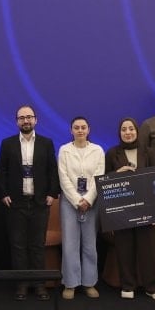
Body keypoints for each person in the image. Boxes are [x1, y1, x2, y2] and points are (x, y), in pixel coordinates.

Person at [0, 105, 59, 301]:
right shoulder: (7, 144)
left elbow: (52, 169)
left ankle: (39, 284)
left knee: (37, 245)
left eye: (29, 117)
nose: (26, 121)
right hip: (16, 203)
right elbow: (2, 171)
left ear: (35, 120)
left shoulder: (46, 143)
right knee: (18, 246)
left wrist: (52, 194)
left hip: (39, 202)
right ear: (17, 121)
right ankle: (22, 284)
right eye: (22, 118)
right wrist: (3, 194)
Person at [104, 118, 155, 300]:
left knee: (150, 250)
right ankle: (128, 285)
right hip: (122, 211)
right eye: (124, 129)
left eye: (131, 128)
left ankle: (153, 286)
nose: (128, 132)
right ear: (119, 133)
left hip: (147, 210)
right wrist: (117, 174)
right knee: (124, 248)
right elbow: (104, 181)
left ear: (137, 131)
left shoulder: (149, 152)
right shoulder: (112, 153)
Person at [57, 116, 105, 299]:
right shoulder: (64, 150)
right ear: (71, 130)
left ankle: (89, 282)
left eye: (83, 127)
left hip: (92, 201)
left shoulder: (98, 150)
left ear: (88, 130)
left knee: (90, 244)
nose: (80, 130)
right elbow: (63, 178)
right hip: (69, 201)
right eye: (76, 127)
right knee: (70, 244)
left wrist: (88, 200)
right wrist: (78, 200)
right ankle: (70, 283)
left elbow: (98, 176)